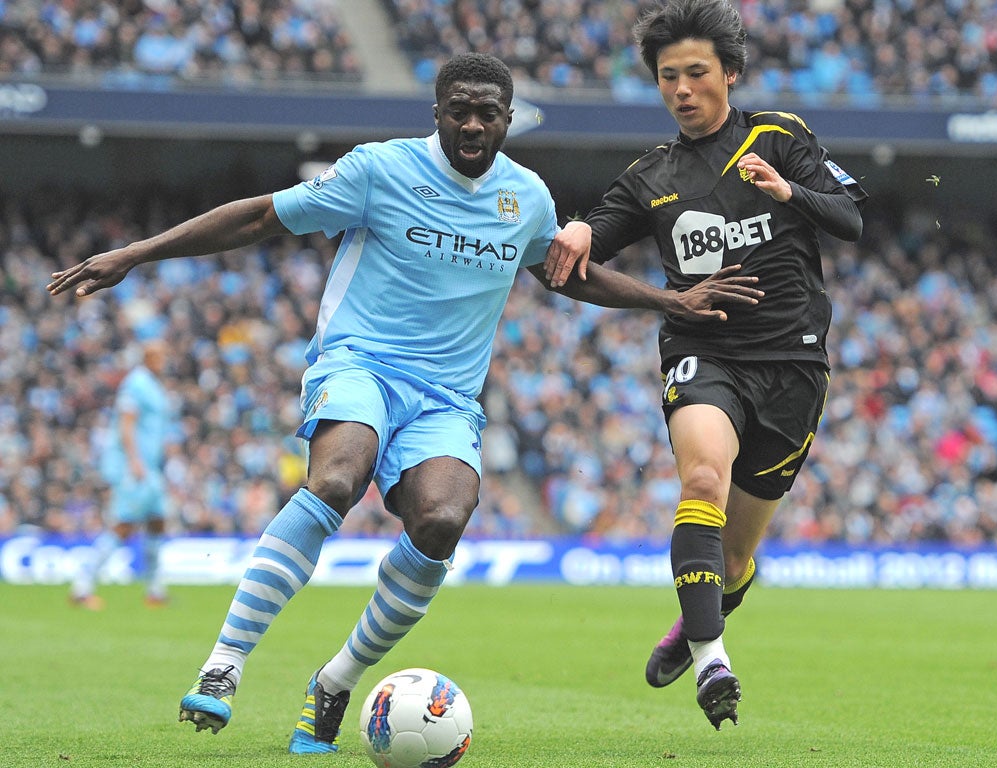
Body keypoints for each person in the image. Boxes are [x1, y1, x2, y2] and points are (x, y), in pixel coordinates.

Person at [48, 52, 762, 753]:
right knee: (337, 477)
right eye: (461, 112)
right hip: (361, 363)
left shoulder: (527, 198)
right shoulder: (379, 169)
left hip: (447, 398)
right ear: (438, 114)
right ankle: (225, 662)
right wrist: (135, 253)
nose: (474, 125)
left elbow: (566, 275)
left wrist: (671, 301)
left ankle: (334, 680)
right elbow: (261, 217)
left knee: (442, 520)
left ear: (508, 119)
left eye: (488, 113)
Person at [549, 0, 867, 730]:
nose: (682, 88)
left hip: (793, 365)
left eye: (696, 72)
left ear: (730, 73)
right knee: (700, 481)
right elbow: (585, 253)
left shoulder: (778, 136)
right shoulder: (651, 175)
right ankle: (711, 656)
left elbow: (851, 217)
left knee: (734, 558)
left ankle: (696, 618)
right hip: (704, 353)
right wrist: (579, 230)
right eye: (668, 76)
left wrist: (787, 191)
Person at [69, 338, 174, 610]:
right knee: (124, 525)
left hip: (150, 467)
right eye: (160, 356)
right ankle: (82, 585)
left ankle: (155, 590)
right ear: (148, 358)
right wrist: (134, 461)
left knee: (157, 521)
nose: (164, 361)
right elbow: (127, 424)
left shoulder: (154, 385)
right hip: (135, 467)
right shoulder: (136, 384)